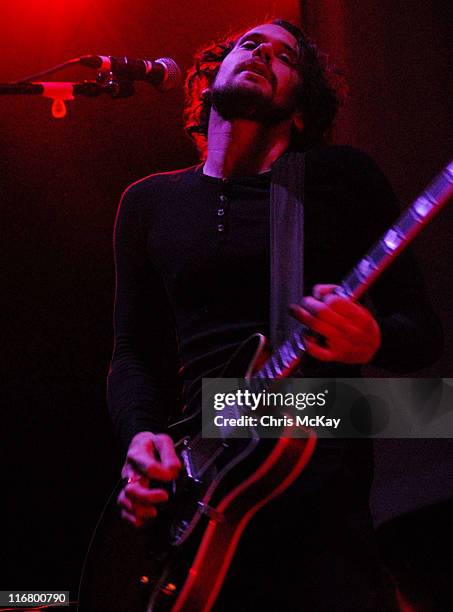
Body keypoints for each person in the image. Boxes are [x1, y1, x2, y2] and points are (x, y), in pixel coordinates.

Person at [107, 19, 442, 610]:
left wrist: (371, 340)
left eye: (286, 56)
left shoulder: (341, 179)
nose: (262, 50)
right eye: (249, 43)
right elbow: (134, 353)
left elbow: (423, 338)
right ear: (208, 84)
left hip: (322, 518)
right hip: (200, 493)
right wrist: (143, 440)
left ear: (302, 112)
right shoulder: (147, 203)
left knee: (430, 410)